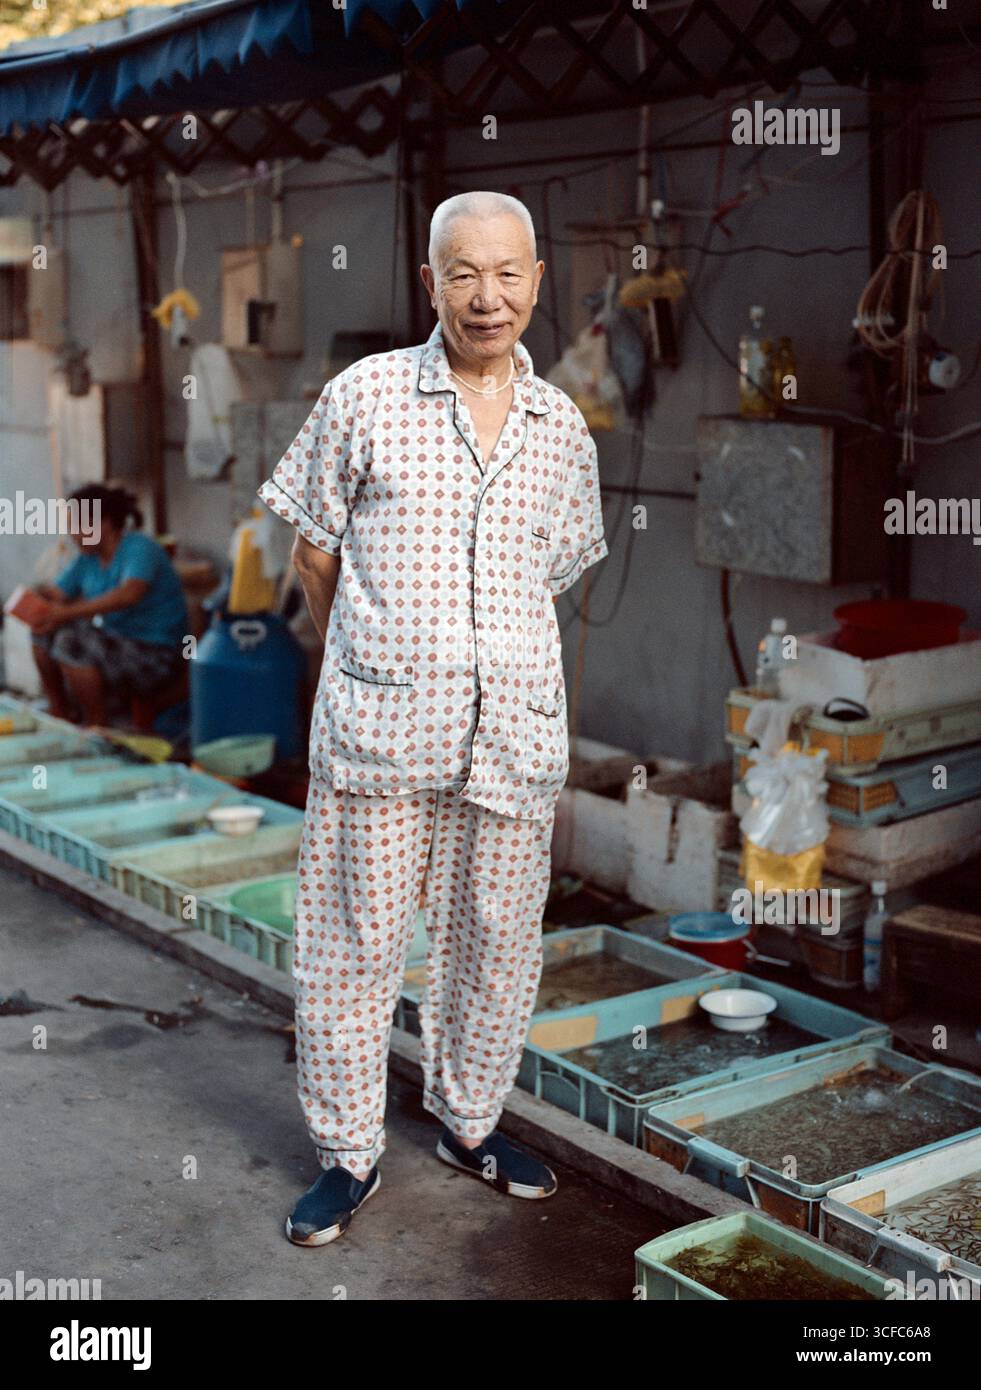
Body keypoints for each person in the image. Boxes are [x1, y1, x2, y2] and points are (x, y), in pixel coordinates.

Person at [258, 190, 607, 1246]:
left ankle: (468, 1124)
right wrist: (377, 659)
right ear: (430, 284)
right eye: (464, 273)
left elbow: (550, 575)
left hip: (512, 738)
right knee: (356, 945)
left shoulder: (563, 430)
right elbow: (311, 555)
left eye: (508, 274)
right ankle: (347, 1156)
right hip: (380, 735)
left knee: (496, 944)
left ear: (538, 283)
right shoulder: (365, 396)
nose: (487, 296)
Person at [30, 484, 189, 726]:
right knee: (43, 630)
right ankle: (60, 711)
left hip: (156, 655)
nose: (73, 534)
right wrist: (36, 600)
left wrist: (65, 612)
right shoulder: (87, 559)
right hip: (115, 645)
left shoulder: (139, 548)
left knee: (71, 642)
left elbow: (129, 594)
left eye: (79, 525)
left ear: (103, 523)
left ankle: (97, 725)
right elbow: (56, 595)